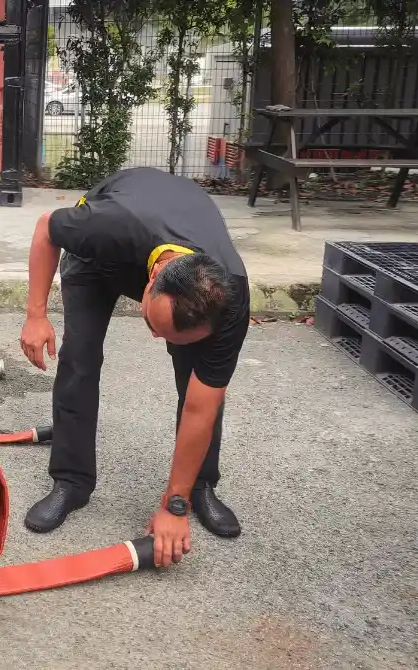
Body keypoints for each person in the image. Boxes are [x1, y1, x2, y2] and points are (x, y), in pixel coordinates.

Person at [19, 167, 250, 571]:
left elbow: (202, 406)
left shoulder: (228, 295)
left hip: (177, 256)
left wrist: (174, 506)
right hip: (97, 263)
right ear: (152, 279)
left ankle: (199, 486)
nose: (156, 341)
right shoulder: (105, 225)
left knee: (197, 379)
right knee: (80, 360)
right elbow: (45, 228)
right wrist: (36, 315)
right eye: (153, 326)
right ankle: (71, 482)